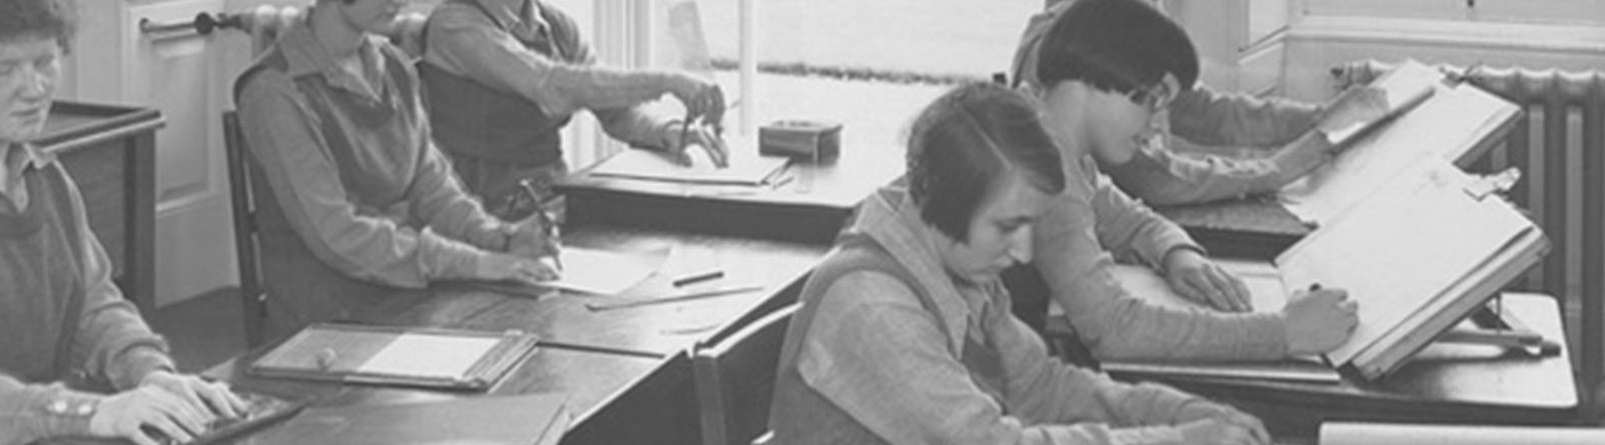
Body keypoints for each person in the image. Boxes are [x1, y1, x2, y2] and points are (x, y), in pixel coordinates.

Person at [771, 82, 1271, 445]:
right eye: (1008, 227)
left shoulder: (954, 262)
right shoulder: (871, 307)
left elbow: (1039, 389)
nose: (1025, 253)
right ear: (941, 200)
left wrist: (1178, 411)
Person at [0, 0, 245, 443]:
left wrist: (150, 372)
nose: (33, 88)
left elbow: (93, 305)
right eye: (3, 70)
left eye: (45, 61)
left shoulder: (44, 174)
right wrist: (86, 412)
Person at [1009, 0, 1359, 360]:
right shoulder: (1044, 169)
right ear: (1094, 79)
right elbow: (1115, 329)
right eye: (1150, 103)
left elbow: (1129, 221)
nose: (1154, 126)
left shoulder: (1053, 135)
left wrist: (1177, 253)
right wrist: (1283, 332)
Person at [233, 0, 559, 340]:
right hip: (329, 324)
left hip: (408, 298)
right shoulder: (274, 92)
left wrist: (500, 238)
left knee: (535, 339)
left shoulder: (394, 66)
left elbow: (431, 185)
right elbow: (338, 235)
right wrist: (476, 263)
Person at [1011, 0, 1386, 206]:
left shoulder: (1125, 16)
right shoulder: (1078, 45)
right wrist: (1272, 170)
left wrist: (1317, 117)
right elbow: (1154, 179)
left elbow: (1200, 109)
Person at [418, 0, 730, 218]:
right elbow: (552, 87)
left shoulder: (557, 25)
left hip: (552, 204)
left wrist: (666, 132)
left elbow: (617, 113)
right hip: (478, 215)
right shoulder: (453, 24)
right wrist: (666, 81)